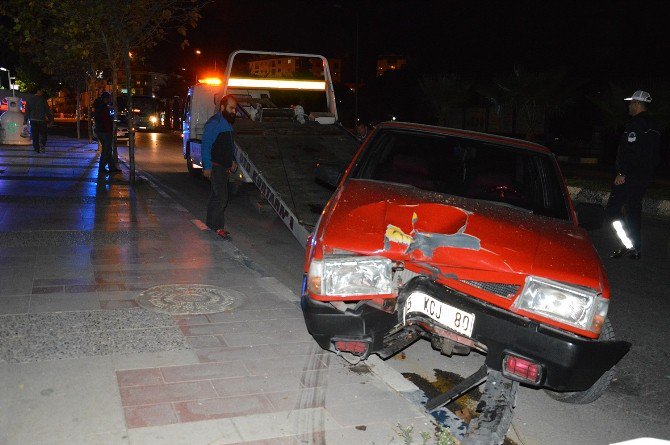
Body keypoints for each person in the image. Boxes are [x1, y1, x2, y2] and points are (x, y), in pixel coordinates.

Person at [605, 90, 660, 259]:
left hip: (629, 177)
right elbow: (654, 154)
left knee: (612, 211)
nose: (629, 106)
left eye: (631, 103)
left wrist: (623, 172)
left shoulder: (635, 125)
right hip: (643, 177)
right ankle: (634, 248)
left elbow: (631, 152)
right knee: (633, 210)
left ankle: (627, 244)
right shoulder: (654, 126)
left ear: (637, 104)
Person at [202, 94, 239, 239]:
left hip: (223, 166)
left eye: (235, 109)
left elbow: (228, 146)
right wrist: (206, 167)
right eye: (231, 108)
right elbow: (206, 145)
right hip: (216, 166)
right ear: (222, 107)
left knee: (215, 197)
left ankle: (210, 226)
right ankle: (218, 228)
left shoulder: (227, 123)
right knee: (222, 197)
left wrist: (232, 161)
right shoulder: (214, 122)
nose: (234, 111)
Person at [93, 91, 121, 176]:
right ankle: (102, 168)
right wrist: (111, 128)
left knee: (108, 150)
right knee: (106, 150)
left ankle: (112, 167)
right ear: (106, 98)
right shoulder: (103, 107)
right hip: (105, 131)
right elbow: (106, 121)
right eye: (109, 98)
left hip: (100, 130)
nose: (110, 100)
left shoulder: (99, 106)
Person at [23, 89, 53, 153]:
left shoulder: (30, 99)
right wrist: (51, 120)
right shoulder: (43, 100)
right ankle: (42, 144)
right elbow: (47, 111)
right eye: (41, 91)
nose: (42, 93)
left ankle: (36, 148)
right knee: (43, 134)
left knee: (35, 135)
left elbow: (27, 111)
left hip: (33, 120)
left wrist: (25, 120)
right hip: (41, 120)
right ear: (38, 91)